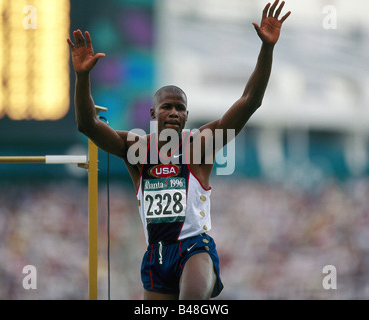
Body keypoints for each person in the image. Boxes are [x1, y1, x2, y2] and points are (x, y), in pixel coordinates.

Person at [67, 0, 291, 300]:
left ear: (186, 116)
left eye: (180, 108)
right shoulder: (136, 148)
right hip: (156, 255)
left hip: (193, 249)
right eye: (167, 107)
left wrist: (267, 49)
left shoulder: (199, 144)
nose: (174, 113)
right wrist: (82, 77)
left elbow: (250, 101)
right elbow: (88, 125)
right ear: (152, 114)